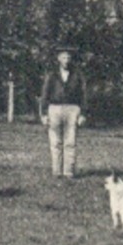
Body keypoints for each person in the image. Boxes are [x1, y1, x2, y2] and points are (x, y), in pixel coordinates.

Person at [41, 47, 86, 179]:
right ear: (58, 59)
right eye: (64, 57)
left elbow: (83, 94)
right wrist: (44, 114)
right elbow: (45, 94)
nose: (66, 60)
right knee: (55, 142)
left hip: (73, 109)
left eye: (68, 58)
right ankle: (56, 171)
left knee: (70, 141)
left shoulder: (77, 75)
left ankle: (69, 171)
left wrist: (83, 113)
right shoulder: (52, 75)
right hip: (54, 108)